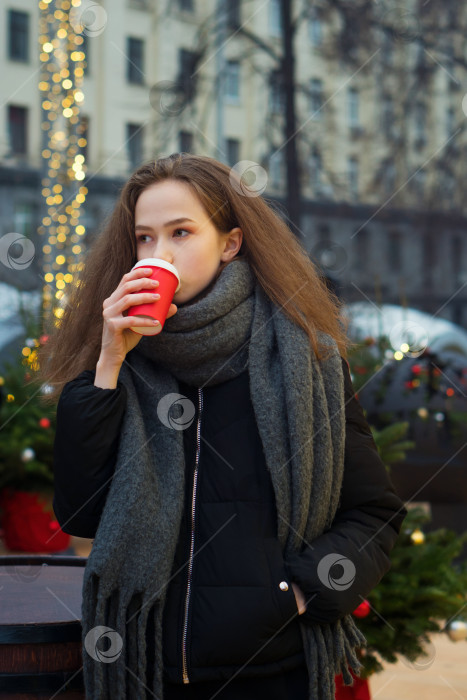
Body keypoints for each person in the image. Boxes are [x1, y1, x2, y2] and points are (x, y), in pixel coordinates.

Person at [39, 153, 407, 700]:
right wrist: (109, 364)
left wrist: (297, 594)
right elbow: (80, 514)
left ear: (230, 243)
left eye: (180, 232)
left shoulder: (305, 363)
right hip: (143, 673)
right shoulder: (119, 367)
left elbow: (374, 516)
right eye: (143, 238)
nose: (158, 253)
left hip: (270, 673)